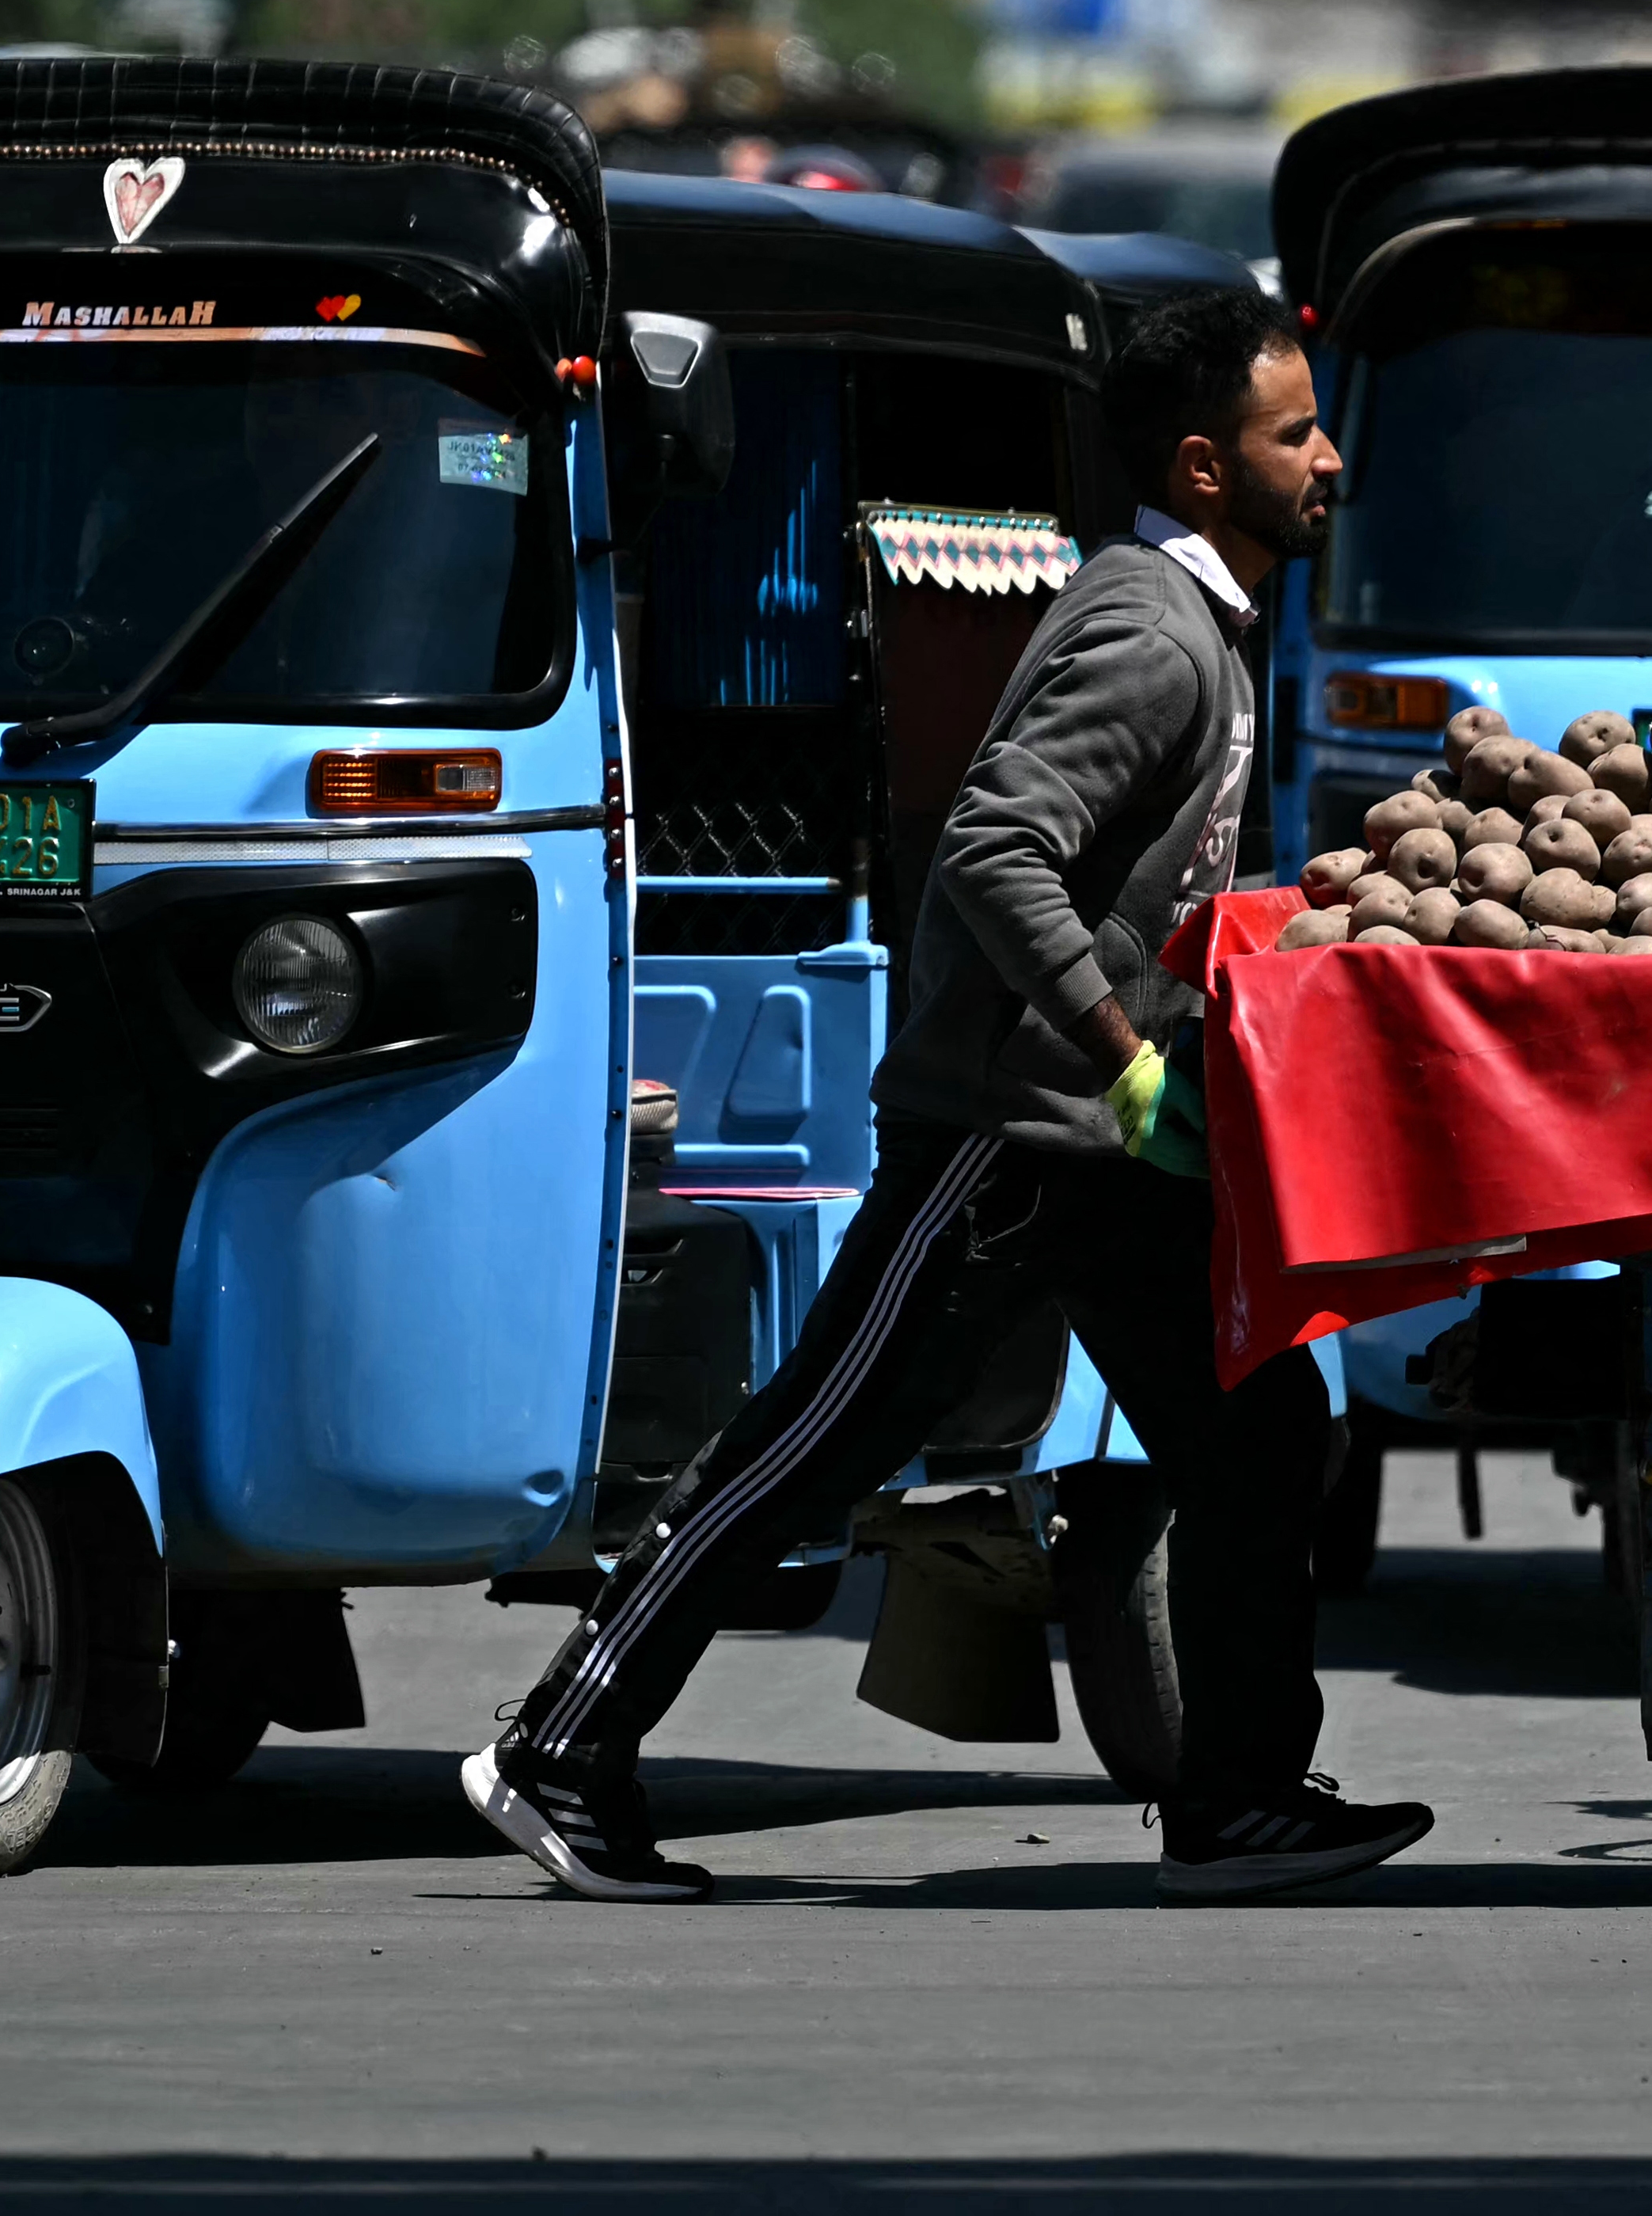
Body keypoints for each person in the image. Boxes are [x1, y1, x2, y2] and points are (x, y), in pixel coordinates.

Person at [461, 283, 1431, 1905]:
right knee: (811, 1445)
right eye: (1296, 433)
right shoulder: (1146, 630)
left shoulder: (1210, 625)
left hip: (1106, 1154)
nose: (1328, 459)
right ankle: (560, 1748)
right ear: (1204, 468)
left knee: (1264, 1435)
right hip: (1012, 1136)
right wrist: (1118, 1054)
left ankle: (1241, 1797)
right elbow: (996, 843)